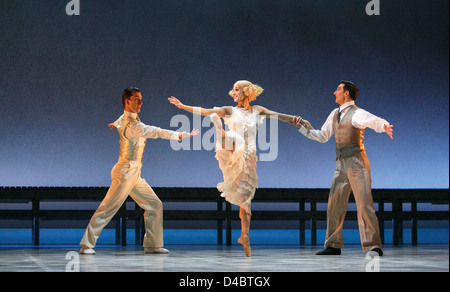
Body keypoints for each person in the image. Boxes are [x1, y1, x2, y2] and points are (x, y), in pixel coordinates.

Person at [168, 80, 310, 256]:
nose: (233, 93)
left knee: (246, 199)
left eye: (237, 90)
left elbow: (279, 115)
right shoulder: (229, 110)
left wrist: (298, 120)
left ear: (246, 92)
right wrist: (183, 107)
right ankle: (220, 130)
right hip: (233, 148)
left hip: (249, 158)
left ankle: (244, 236)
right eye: (233, 90)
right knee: (237, 139)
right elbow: (206, 111)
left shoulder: (258, 110)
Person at [80, 87, 199, 255]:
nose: (141, 102)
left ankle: (153, 244)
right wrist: (179, 135)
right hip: (125, 172)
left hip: (134, 174)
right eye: (137, 99)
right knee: (108, 207)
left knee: (154, 205)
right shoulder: (134, 125)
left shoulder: (126, 120)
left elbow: (122, 119)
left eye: (141, 99)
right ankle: (87, 244)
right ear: (127, 101)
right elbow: (155, 132)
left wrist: (116, 123)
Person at [290, 81, 393, 256]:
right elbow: (323, 136)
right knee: (335, 203)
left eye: (338, 89)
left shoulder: (356, 113)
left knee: (364, 203)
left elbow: (373, 120)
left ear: (346, 94)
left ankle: (373, 245)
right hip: (341, 163)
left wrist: (383, 126)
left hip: (357, 162)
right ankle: (333, 244)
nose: (334, 92)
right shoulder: (334, 114)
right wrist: (302, 127)